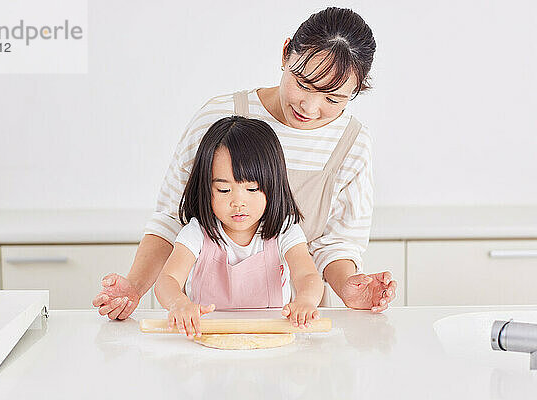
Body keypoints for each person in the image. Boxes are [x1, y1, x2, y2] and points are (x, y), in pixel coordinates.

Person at [93, 7, 397, 320]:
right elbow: (172, 217)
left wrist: (348, 286)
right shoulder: (219, 118)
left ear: (355, 91)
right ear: (285, 54)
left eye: (333, 99)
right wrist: (134, 286)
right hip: (205, 320)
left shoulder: (352, 143)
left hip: (292, 320)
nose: (310, 106)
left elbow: (335, 245)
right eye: (303, 83)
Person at [155, 116, 325, 338]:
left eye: (252, 189)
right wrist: (178, 303)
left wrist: (305, 301)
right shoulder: (197, 232)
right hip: (205, 338)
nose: (238, 202)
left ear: (273, 186)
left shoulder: (285, 230)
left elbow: (308, 276)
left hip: (269, 340)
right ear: (206, 189)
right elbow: (166, 280)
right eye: (224, 190)